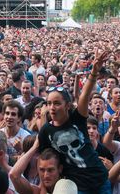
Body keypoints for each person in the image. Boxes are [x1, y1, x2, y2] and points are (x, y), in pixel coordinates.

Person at [38, 50, 111, 193]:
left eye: (57, 103)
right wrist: (44, 188)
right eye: (49, 103)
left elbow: (84, 95)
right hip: (74, 187)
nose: (52, 107)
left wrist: (94, 72)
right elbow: (43, 160)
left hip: (100, 180)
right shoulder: (46, 131)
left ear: (67, 105)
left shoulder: (77, 118)